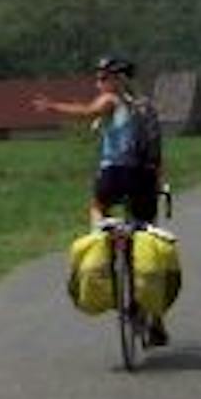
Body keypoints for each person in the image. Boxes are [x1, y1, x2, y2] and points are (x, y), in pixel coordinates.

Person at [32, 54, 168, 345]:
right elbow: (156, 151)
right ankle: (156, 320)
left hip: (116, 174)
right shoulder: (142, 107)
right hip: (144, 178)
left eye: (102, 77)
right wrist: (158, 180)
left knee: (97, 205)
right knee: (147, 237)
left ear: (116, 80)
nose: (98, 82)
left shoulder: (111, 101)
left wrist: (52, 106)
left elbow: (85, 111)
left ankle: (102, 250)